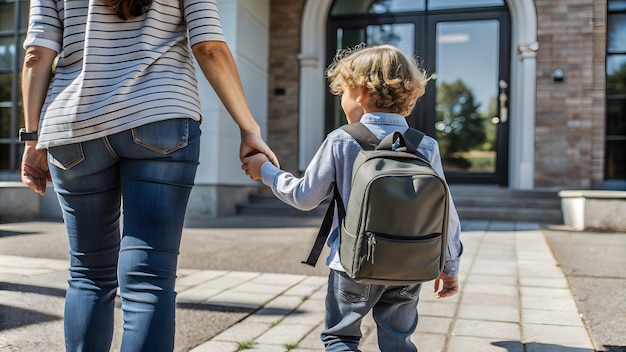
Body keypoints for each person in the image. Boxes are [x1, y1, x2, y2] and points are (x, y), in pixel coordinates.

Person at [20, 1, 277, 351]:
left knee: (88, 274)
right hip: (160, 116)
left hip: (75, 126)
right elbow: (210, 47)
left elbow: (36, 54)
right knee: (150, 277)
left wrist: (32, 138)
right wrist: (249, 129)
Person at [243, 44, 462, 352]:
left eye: (342, 91)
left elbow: (305, 197)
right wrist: (449, 266)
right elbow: (446, 213)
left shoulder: (342, 140)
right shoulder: (425, 146)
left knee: (340, 338)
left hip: (354, 264)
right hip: (411, 265)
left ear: (359, 91)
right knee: (399, 341)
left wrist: (265, 171)